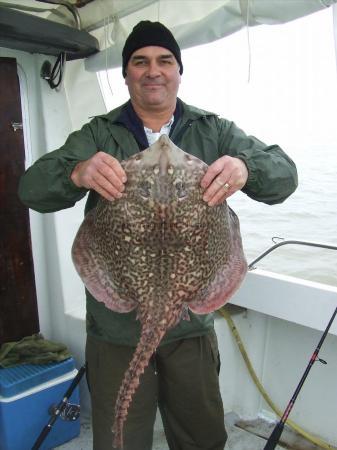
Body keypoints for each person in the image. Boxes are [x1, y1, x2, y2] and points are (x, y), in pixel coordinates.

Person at [18, 21, 298, 450]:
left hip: (190, 330)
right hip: (117, 331)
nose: (153, 70)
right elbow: (32, 189)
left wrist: (246, 168)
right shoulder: (98, 134)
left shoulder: (214, 131)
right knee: (120, 441)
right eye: (140, 61)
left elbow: (285, 177)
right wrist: (77, 172)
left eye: (164, 61)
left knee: (202, 438)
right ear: (126, 73)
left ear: (178, 71)